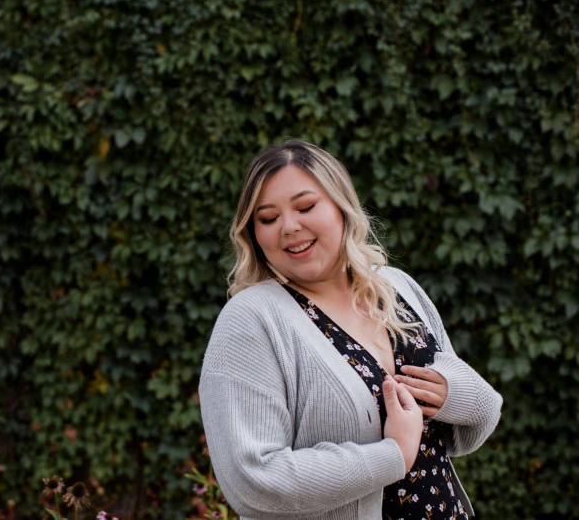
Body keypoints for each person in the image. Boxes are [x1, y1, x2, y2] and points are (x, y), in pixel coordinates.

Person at [198, 139, 503, 520]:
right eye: (268, 218)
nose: (289, 227)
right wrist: (392, 455)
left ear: (342, 206)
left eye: (306, 207)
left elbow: (481, 416)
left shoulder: (395, 289)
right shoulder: (251, 320)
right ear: (253, 233)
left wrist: (452, 394)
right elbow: (253, 480)